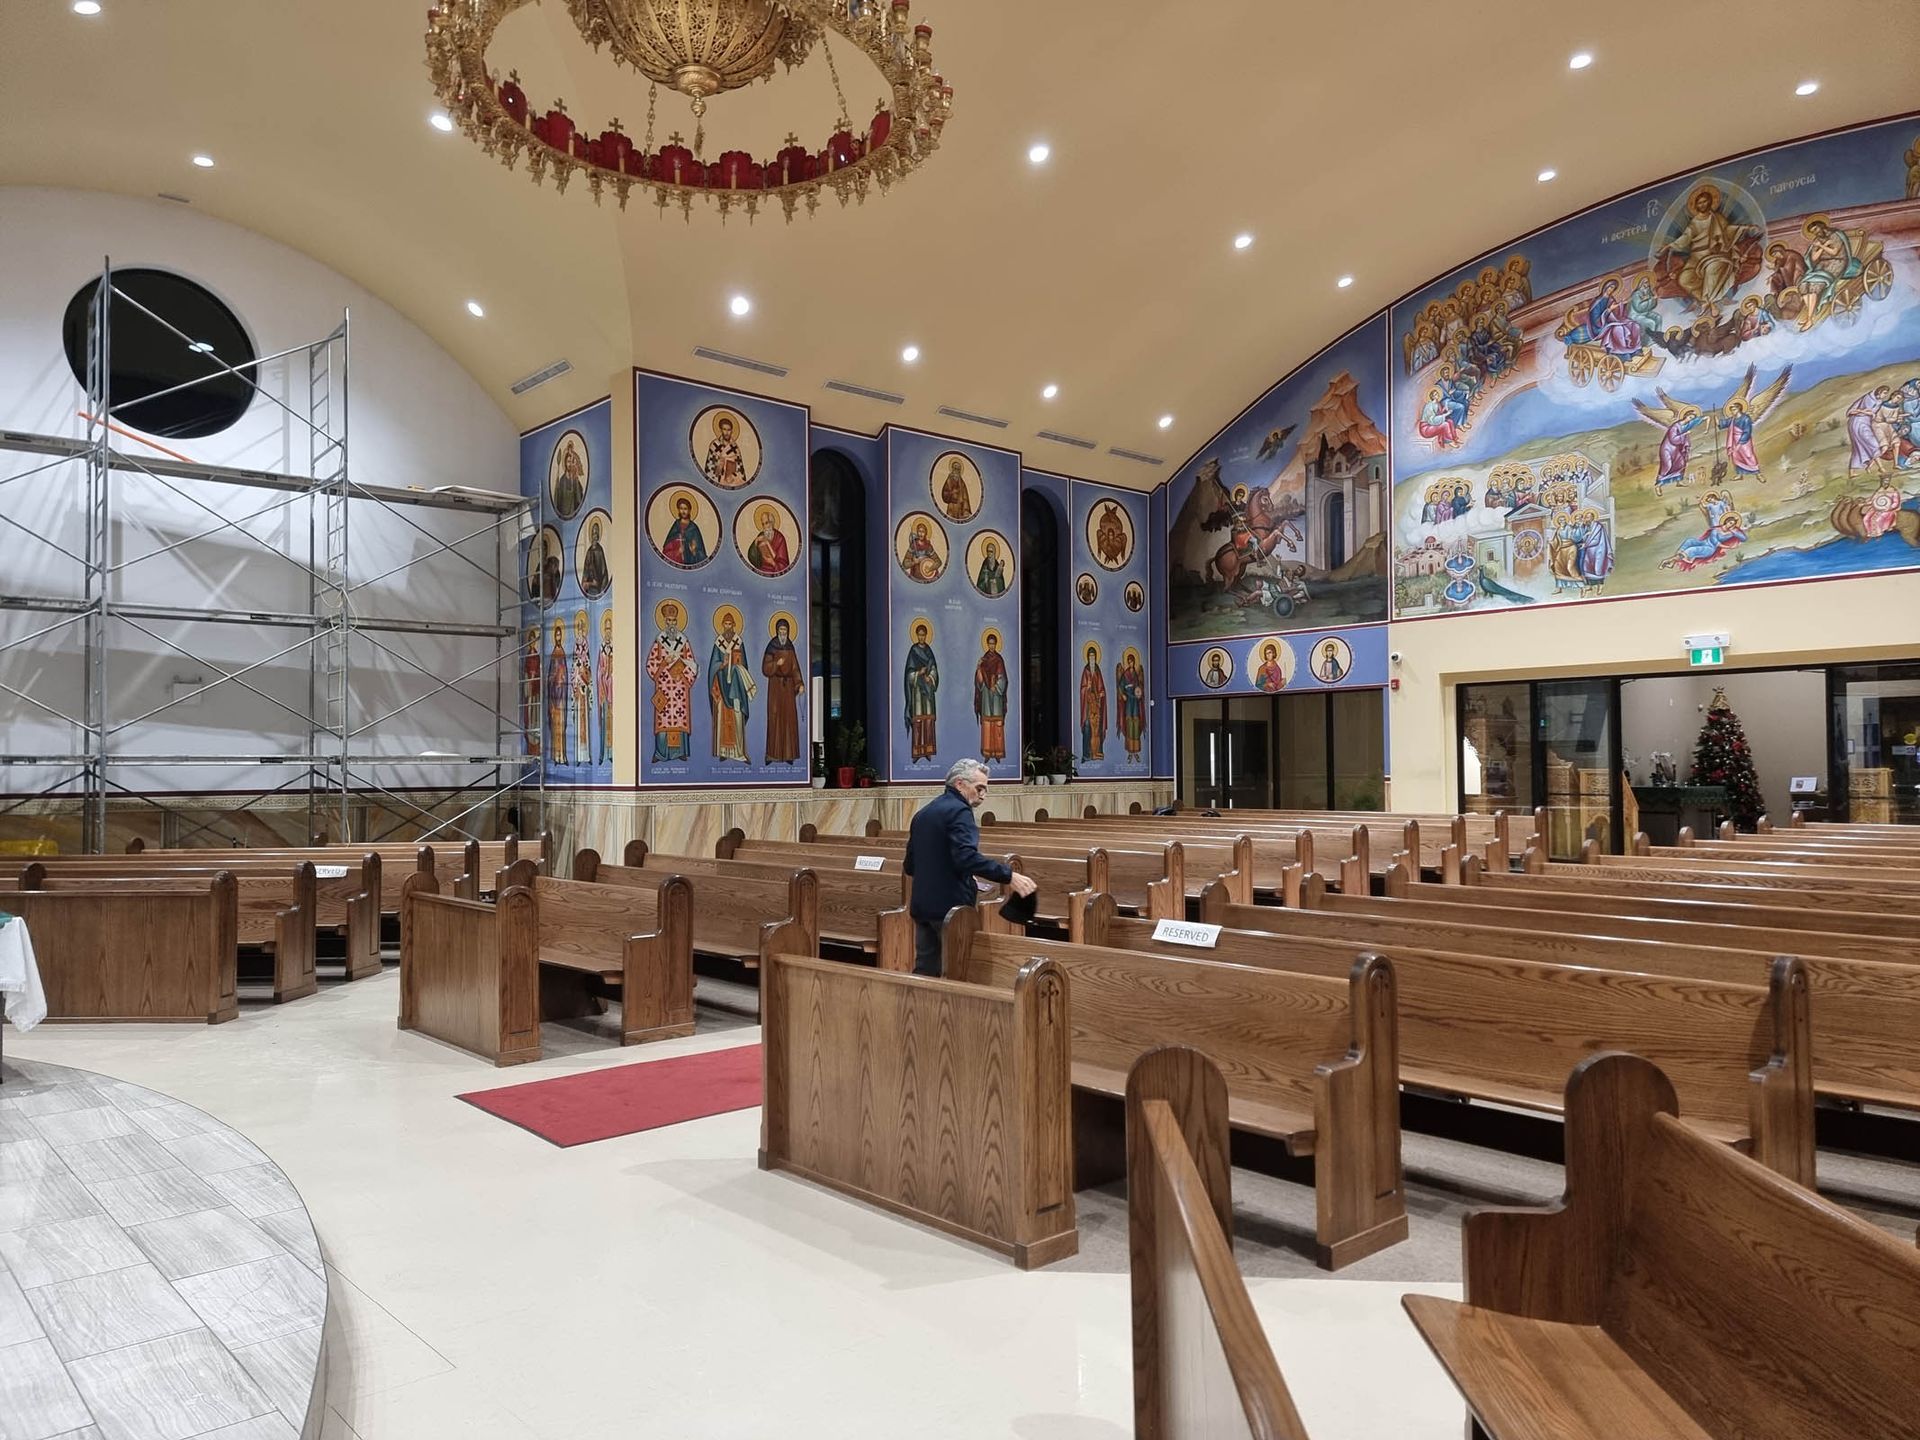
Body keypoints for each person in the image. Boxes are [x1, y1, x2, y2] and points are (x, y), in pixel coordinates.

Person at [901, 759, 1035, 976]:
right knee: (957, 972)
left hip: (923, 906)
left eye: (985, 789)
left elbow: (910, 866)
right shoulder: (959, 812)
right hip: (952, 909)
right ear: (960, 784)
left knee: (926, 972)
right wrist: (1009, 876)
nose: (983, 795)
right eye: (979, 788)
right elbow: (966, 857)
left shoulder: (923, 813)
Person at [708, 611, 755, 762]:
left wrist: (737, 666)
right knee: (723, 717)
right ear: (722, 625)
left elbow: (744, 665)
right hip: (721, 686)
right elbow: (713, 666)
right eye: (726, 624)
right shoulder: (718, 643)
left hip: (736, 687)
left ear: (734, 625)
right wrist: (721, 665)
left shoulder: (739, 642)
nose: (728, 627)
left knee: (737, 717)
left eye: (730, 624)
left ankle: (739, 752)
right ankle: (723, 752)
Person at [760, 617, 803, 763]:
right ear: (777, 631)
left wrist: (799, 683)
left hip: (789, 688)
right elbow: (765, 668)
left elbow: (795, 668)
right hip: (775, 687)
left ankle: (789, 755)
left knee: (789, 720)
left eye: (785, 630)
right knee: (774, 718)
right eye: (781, 630)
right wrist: (775, 664)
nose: (783, 633)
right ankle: (772, 754)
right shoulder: (771, 646)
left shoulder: (790, 647)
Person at [904, 621, 940, 762]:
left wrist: (930, 677)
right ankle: (918, 751)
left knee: (928, 721)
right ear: (916, 636)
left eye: (923, 635)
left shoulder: (929, 651)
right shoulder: (913, 651)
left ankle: (928, 751)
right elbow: (908, 673)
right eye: (919, 635)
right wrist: (918, 673)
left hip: (928, 692)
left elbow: (934, 669)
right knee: (918, 721)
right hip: (918, 691)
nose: (921, 638)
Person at [973, 632, 1008, 761]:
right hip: (987, 696)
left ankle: (997, 753)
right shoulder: (984, 660)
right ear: (987, 644)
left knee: (997, 723)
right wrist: (978, 669)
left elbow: (1003, 678)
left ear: (996, 644)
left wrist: (997, 686)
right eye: (990, 643)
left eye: (993, 643)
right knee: (987, 723)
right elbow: (979, 682)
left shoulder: (999, 660)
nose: (992, 646)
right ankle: (987, 752)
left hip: (997, 696)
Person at [662, 494, 708, 567]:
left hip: (690, 564)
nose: (683, 511)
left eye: (685, 509)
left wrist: (694, 551)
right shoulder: (676, 526)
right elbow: (666, 550)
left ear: (689, 510)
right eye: (681, 508)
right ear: (678, 510)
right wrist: (677, 552)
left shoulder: (694, 528)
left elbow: (702, 556)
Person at [746, 506, 791, 577]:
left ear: (772, 523)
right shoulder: (761, 535)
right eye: (763, 524)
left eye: (766, 523)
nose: (765, 527)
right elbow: (752, 557)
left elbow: (784, 564)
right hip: (760, 570)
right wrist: (756, 541)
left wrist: (773, 563)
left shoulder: (779, 538)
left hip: (773, 571)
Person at [580, 519, 610, 597]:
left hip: (598, 586)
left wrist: (601, 586)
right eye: (593, 533)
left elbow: (603, 571)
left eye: (597, 533)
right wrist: (585, 581)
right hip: (590, 587)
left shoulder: (600, 550)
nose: (595, 535)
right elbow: (585, 570)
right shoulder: (589, 551)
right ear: (591, 535)